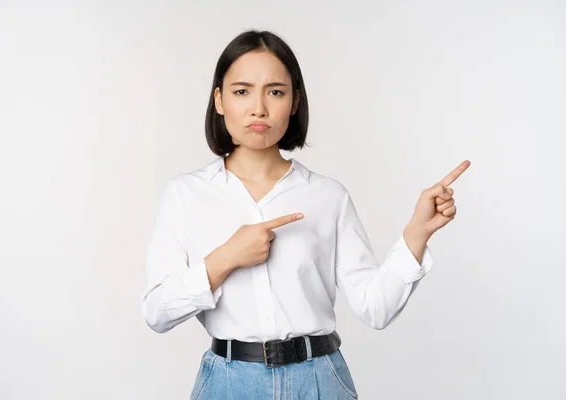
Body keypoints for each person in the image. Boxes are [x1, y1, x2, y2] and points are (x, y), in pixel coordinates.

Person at [140, 29, 469, 399]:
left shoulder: (327, 196)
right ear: (219, 100)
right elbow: (157, 312)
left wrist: (415, 235)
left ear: (294, 102)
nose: (259, 108)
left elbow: (376, 309)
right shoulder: (186, 195)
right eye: (242, 91)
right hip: (229, 384)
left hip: (319, 381)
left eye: (275, 92)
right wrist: (226, 258)